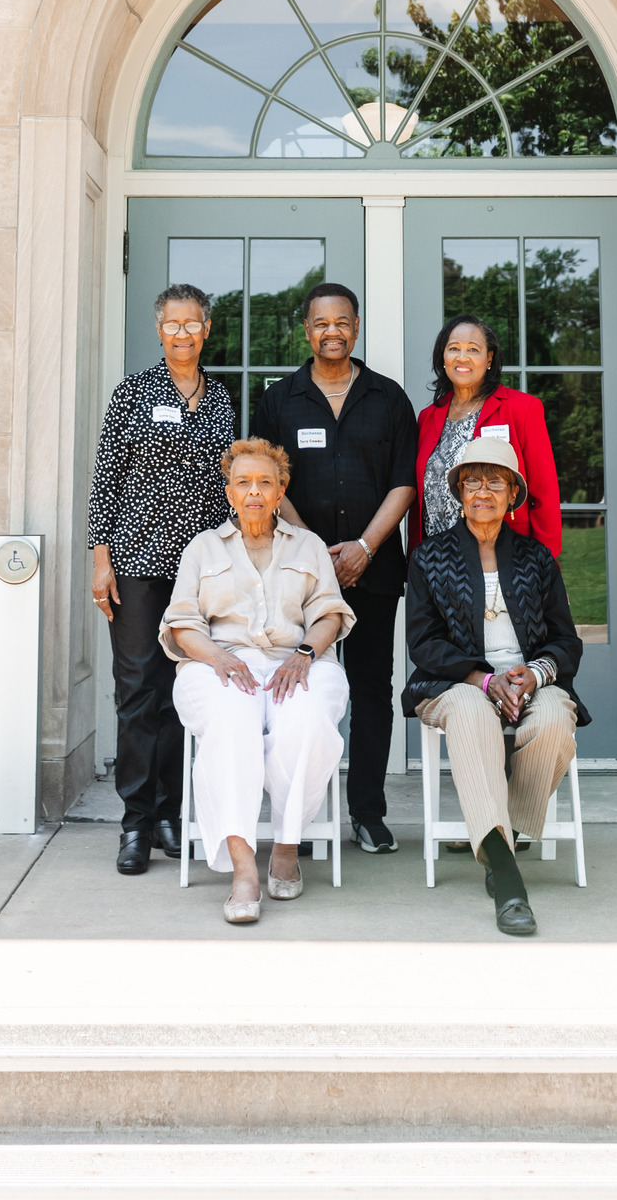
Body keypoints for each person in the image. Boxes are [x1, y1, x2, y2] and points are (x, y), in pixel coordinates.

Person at [252, 282, 417, 855]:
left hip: (373, 570)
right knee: (299, 691)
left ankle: (367, 812)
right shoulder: (279, 400)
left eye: (342, 322)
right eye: (321, 323)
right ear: (306, 329)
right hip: (299, 575)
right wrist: (316, 552)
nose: (332, 332)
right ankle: (296, 811)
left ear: (356, 326)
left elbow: (404, 483)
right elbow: (270, 481)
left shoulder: (389, 398)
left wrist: (364, 548)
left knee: (372, 688)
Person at [162, 439, 354, 924]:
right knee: (232, 726)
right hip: (219, 663)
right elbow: (182, 624)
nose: (254, 492)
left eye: (265, 483)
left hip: (297, 660)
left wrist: (307, 653)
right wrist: (217, 659)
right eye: (243, 483)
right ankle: (243, 867)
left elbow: (330, 613)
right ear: (229, 491)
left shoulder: (308, 546)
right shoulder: (203, 548)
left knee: (308, 723)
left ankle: (286, 846)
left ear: (280, 490)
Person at [403, 438, 587, 938]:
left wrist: (536, 674)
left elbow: (566, 639)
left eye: (496, 482)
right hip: (456, 681)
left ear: (513, 496)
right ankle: (505, 873)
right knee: (470, 711)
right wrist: (483, 678)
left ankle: (499, 828)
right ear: (459, 491)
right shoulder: (429, 557)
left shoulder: (535, 558)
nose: (483, 491)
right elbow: (423, 642)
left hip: (530, 677)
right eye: (472, 481)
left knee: (553, 722)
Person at [88, 283, 236, 876]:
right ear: (159, 331)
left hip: (199, 569)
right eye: (172, 323)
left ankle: (173, 813)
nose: (182, 333)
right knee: (139, 691)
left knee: (188, 693)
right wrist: (102, 561)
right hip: (138, 562)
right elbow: (106, 482)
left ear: (205, 330)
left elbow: (228, 490)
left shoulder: (221, 401)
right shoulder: (133, 394)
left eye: (192, 323)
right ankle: (136, 822)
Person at [413, 316, 562, 557]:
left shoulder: (522, 409)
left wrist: (545, 561)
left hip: (506, 555)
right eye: (454, 349)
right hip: (436, 560)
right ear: (443, 356)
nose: (462, 357)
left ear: (489, 358)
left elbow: (544, 493)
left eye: (473, 349)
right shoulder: (427, 418)